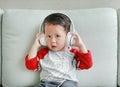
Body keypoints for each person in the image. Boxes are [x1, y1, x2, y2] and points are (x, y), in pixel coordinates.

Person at [25, 13, 93, 87]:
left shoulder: (72, 53)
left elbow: (87, 65)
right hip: (46, 83)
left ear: (68, 37)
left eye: (57, 36)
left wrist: (81, 45)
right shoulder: (43, 53)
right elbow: (30, 66)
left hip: (67, 82)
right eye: (49, 36)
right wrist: (35, 45)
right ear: (43, 38)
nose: (53, 40)